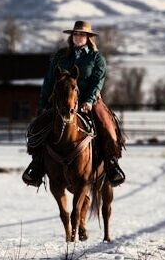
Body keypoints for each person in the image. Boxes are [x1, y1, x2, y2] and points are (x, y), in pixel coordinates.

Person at [22, 20, 126, 187]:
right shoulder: (60, 56)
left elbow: (97, 81)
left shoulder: (96, 58)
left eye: (82, 34)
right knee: (38, 129)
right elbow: (49, 80)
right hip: (62, 101)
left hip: (88, 100)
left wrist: (89, 101)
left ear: (88, 38)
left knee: (107, 126)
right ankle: (37, 164)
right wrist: (43, 105)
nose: (78, 37)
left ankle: (111, 163)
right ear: (72, 37)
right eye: (76, 34)